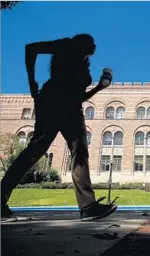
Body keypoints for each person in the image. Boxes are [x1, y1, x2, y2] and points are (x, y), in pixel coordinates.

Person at [1, 34, 117, 221]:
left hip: (71, 107)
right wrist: (32, 83)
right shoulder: (67, 45)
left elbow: (79, 97)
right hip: (54, 102)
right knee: (36, 151)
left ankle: (88, 206)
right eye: (91, 42)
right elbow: (31, 47)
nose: (94, 46)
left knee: (79, 152)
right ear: (82, 42)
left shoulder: (83, 64)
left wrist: (97, 89)